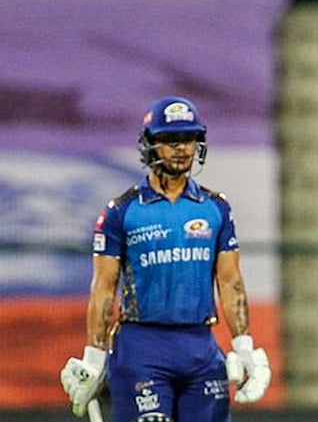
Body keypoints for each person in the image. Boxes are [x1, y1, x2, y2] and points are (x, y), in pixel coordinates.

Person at [60, 96, 271, 422]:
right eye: (171, 140)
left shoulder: (215, 208)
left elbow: (230, 282)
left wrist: (244, 347)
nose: (182, 148)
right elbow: (103, 288)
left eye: (189, 139)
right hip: (141, 347)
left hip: (200, 348)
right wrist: (93, 358)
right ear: (150, 145)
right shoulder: (122, 211)